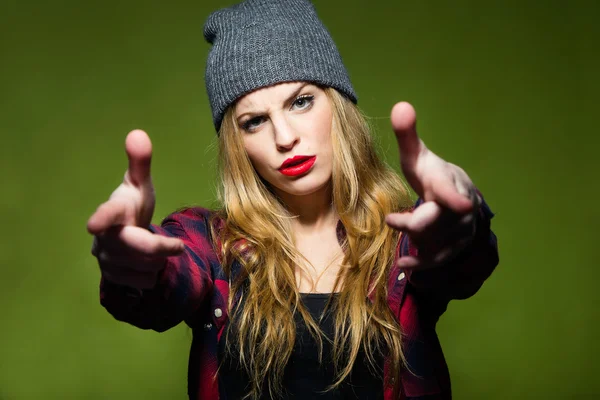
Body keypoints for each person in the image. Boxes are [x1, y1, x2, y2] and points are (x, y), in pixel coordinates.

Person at [87, 0, 499, 399]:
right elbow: (166, 283)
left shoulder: (406, 240)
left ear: (338, 105)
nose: (284, 138)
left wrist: (466, 220)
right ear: (238, 145)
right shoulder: (210, 246)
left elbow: (465, 263)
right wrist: (133, 266)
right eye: (254, 122)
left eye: (301, 102)